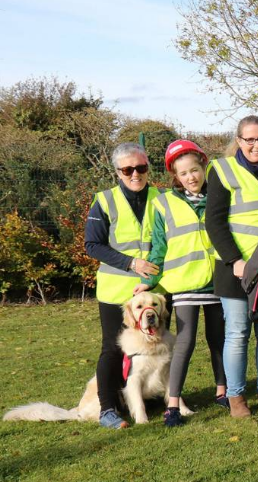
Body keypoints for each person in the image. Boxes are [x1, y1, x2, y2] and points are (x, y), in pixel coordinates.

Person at [135, 140, 224, 427]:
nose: (191, 177)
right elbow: (158, 247)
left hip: (217, 281)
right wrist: (149, 281)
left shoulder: (219, 196)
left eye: (195, 170)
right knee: (184, 342)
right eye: (183, 173)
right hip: (184, 285)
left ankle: (223, 391)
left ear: (203, 167)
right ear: (176, 176)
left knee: (218, 340)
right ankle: (173, 403)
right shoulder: (163, 204)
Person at [206, 115, 258, 417]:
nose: (257, 145)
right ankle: (236, 397)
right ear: (239, 141)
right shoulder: (222, 170)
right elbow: (214, 222)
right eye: (250, 140)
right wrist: (234, 260)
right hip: (236, 269)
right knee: (238, 333)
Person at [84, 143, 162, 429]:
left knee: (157, 346)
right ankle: (108, 409)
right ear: (117, 172)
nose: (135, 174)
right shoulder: (104, 201)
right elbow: (92, 245)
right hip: (116, 292)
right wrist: (132, 263)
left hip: (152, 291)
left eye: (141, 168)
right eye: (128, 169)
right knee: (112, 350)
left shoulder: (161, 198)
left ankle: (151, 399)